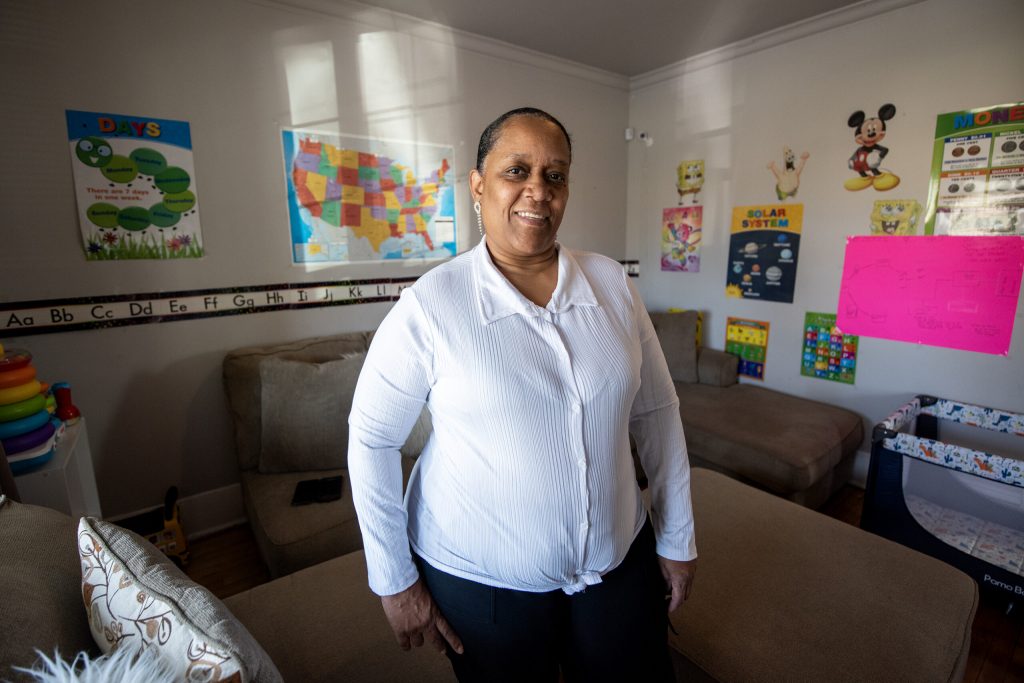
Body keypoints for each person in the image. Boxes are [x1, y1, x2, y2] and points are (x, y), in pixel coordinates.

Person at [348, 107, 697, 683]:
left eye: (554, 175)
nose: (538, 190)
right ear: (479, 186)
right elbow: (372, 440)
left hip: (618, 558)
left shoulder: (611, 284)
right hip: (483, 586)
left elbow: (657, 412)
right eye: (517, 170)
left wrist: (678, 534)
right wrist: (394, 579)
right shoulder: (432, 306)